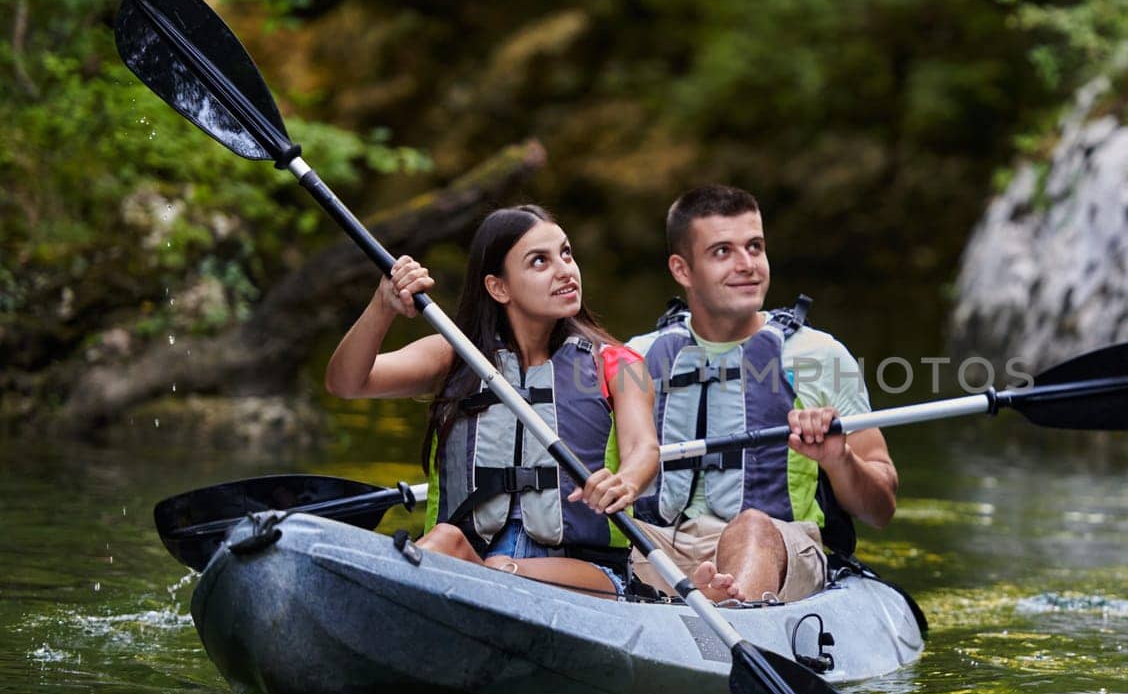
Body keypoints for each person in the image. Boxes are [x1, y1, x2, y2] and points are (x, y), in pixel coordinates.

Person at [325, 204, 724, 599]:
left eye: (566, 253)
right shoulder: (453, 355)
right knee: (447, 539)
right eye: (539, 261)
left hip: (585, 574)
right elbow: (346, 382)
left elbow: (644, 448)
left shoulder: (622, 362)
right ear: (499, 287)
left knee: (494, 564)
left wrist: (626, 481)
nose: (565, 270)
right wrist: (382, 307)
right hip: (463, 557)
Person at [625, 184, 898, 603]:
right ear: (682, 270)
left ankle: (731, 615)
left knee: (752, 526)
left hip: (777, 544)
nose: (747, 265)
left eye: (755, 247)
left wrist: (839, 459)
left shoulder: (820, 355)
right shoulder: (636, 359)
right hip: (662, 546)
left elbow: (881, 510)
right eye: (723, 252)